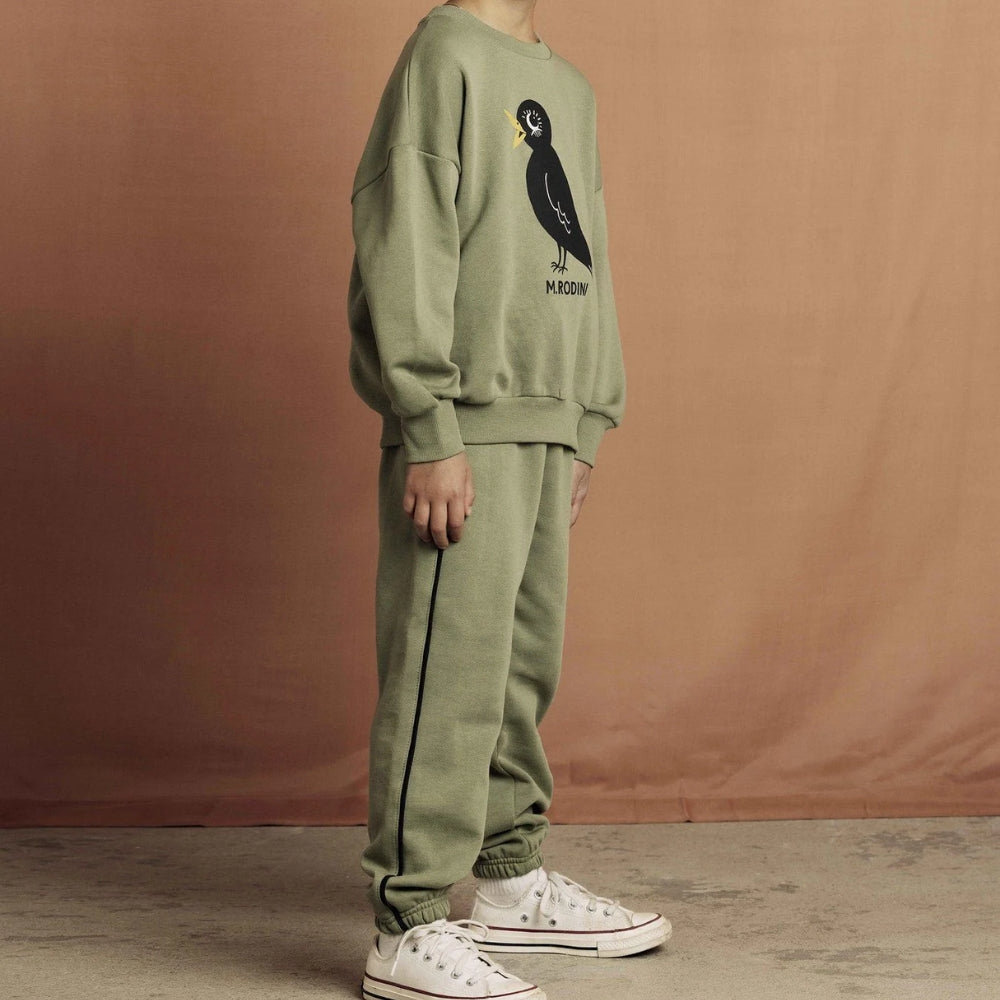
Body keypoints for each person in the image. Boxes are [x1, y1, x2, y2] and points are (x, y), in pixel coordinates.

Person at [347, 1, 670, 996]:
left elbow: (589, 254)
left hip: (547, 415)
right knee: (448, 669)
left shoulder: (569, 87)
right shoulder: (443, 55)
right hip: (466, 419)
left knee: (521, 667)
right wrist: (428, 423)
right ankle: (406, 923)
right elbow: (405, 233)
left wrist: (587, 417)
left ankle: (510, 879)